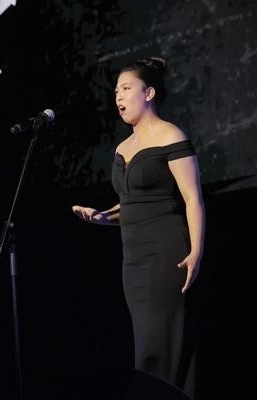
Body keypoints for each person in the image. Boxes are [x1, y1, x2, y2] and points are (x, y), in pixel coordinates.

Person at [71, 57, 205, 397]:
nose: (118, 96)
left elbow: (192, 199)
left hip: (166, 253)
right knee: (145, 341)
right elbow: (130, 203)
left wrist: (196, 252)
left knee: (158, 345)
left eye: (126, 88)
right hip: (133, 261)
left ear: (149, 93)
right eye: (116, 90)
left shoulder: (170, 135)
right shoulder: (123, 147)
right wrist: (103, 216)